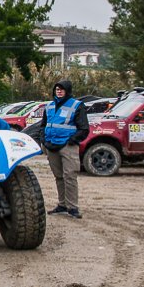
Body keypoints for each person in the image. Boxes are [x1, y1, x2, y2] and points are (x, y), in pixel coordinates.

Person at [40, 80, 89, 218]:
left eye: (61, 89)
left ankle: (72, 207)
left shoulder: (77, 105)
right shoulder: (49, 106)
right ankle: (62, 205)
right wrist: (43, 139)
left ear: (67, 90)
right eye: (57, 89)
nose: (59, 91)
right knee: (59, 177)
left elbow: (84, 128)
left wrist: (71, 140)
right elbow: (43, 125)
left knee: (70, 176)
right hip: (51, 145)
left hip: (68, 146)